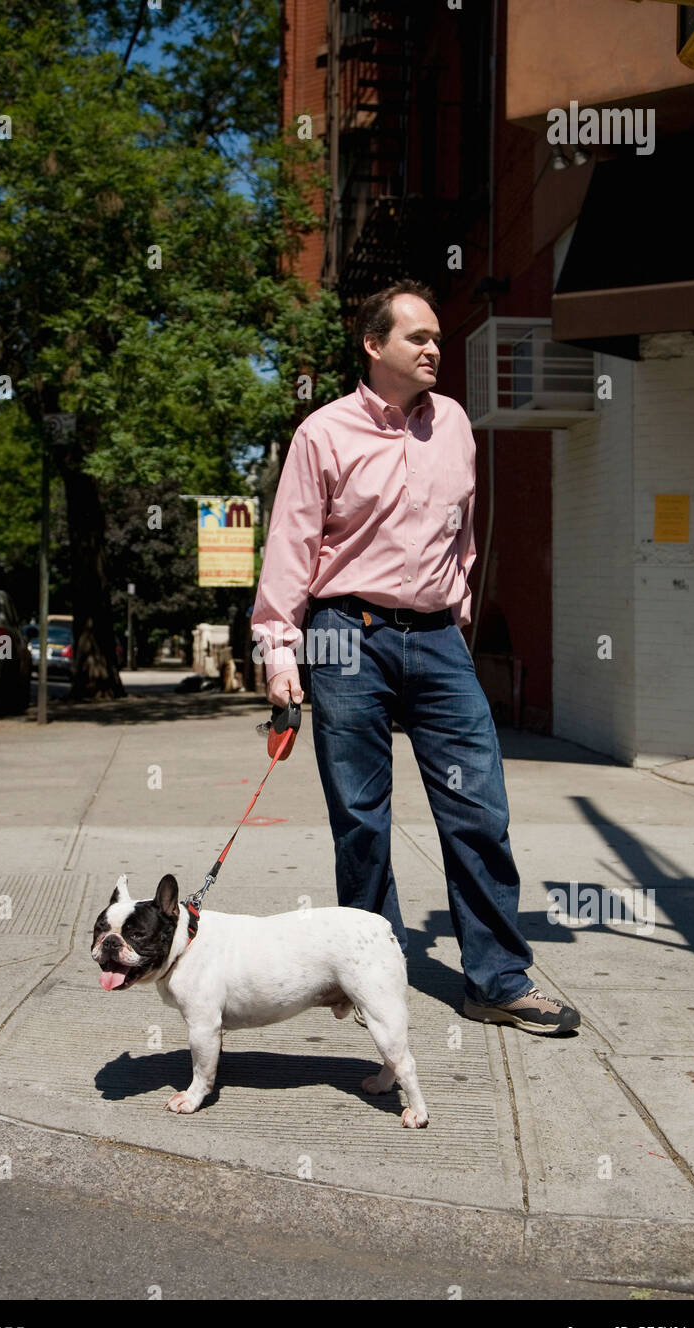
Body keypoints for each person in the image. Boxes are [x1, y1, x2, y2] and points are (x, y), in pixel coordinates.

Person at [251, 280, 579, 1035]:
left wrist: (456, 612)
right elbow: (292, 550)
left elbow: (462, 532)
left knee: (479, 810)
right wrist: (280, 655)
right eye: (418, 338)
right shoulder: (322, 434)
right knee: (362, 818)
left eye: (436, 338)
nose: (435, 349)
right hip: (342, 633)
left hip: (435, 638)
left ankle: (496, 978)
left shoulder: (456, 425)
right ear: (374, 346)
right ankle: (372, 977)